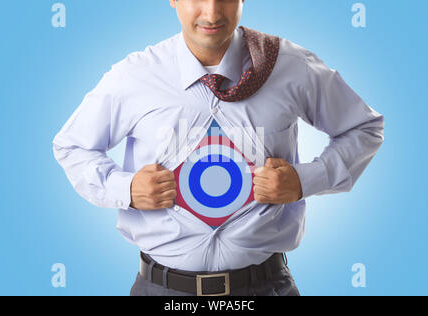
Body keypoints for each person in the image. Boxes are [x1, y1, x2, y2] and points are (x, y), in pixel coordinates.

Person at [52, 0, 384, 296]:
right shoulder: (134, 75)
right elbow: (72, 146)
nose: (211, 12)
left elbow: (363, 127)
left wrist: (304, 180)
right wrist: (125, 187)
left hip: (267, 287)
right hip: (160, 290)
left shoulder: (289, 65)